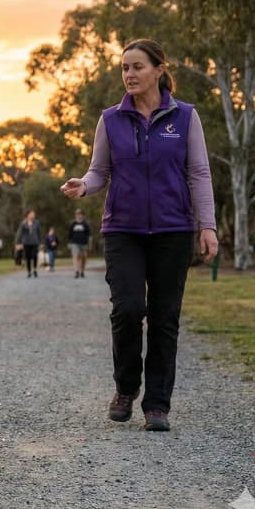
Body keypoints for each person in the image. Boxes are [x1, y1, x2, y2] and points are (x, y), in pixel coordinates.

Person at [60, 38, 217, 432]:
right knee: (127, 309)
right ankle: (126, 388)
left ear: (159, 69)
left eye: (137, 67)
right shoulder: (111, 119)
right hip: (124, 230)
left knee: (165, 318)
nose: (129, 74)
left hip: (173, 230)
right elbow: (100, 170)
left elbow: (198, 173)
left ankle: (158, 405)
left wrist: (208, 225)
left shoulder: (185, 117)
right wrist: (85, 184)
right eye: (125, 68)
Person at [15, 210, 42, 278]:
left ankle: (35, 269)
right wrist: (17, 243)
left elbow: (39, 233)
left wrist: (40, 243)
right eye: (32, 214)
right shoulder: (23, 223)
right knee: (28, 257)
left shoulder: (37, 222)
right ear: (28, 215)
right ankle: (29, 271)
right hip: (26, 242)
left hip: (35, 242)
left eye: (34, 214)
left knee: (35, 255)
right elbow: (20, 233)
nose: (33, 215)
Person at [68, 209, 91, 278]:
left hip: (84, 243)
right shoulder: (73, 223)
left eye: (80, 214)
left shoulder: (85, 224)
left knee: (83, 257)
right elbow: (70, 234)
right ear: (75, 215)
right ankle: (76, 271)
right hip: (74, 243)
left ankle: (82, 271)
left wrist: (89, 244)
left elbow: (89, 235)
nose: (79, 215)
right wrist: (69, 243)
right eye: (77, 214)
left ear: (82, 215)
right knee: (75, 256)